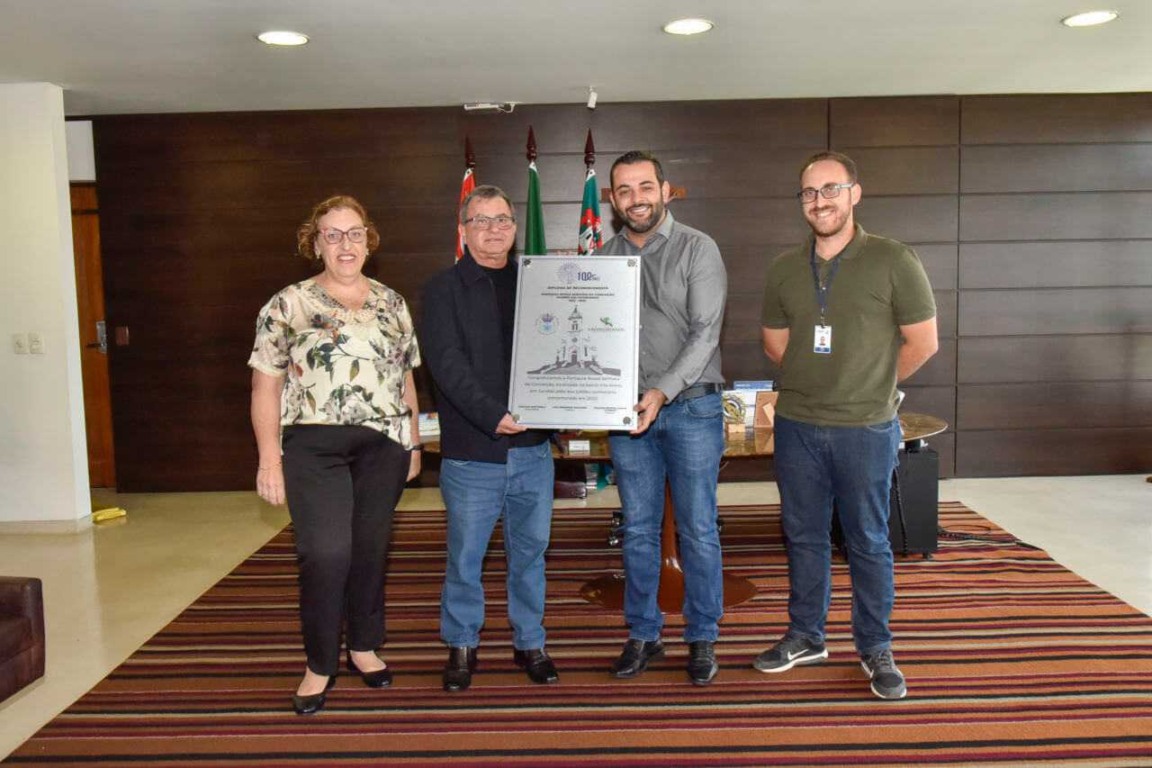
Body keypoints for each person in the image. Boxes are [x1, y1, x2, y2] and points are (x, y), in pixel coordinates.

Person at [756, 151, 938, 700]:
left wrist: (874, 385)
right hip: (797, 426)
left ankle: (875, 645)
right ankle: (806, 635)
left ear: (855, 193)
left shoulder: (893, 259)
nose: (820, 201)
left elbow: (923, 342)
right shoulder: (785, 267)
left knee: (868, 539)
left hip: (865, 428)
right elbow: (775, 344)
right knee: (804, 536)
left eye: (830, 189)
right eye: (809, 193)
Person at [249, 195, 422, 715]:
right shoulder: (288, 304)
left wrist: (413, 440)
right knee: (326, 554)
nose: (345, 244)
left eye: (354, 233)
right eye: (332, 234)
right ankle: (319, 662)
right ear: (315, 242)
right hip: (312, 445)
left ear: (368, 239)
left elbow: (405, 375)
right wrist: (268, 459)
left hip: (384, 444)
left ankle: (364, 646)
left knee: (369, 550)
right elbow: (264, 386)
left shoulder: (392, 302)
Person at [421, 185, 559, 692]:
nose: (494, 229)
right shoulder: (442, 290)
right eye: (481, 220)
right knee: (465, 557)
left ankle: (530, 642)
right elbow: (446, 366)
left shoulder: (538, 283)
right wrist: (492, 415)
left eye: (502, 219)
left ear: (514, 228)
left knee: (530, 554)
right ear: (463, 229)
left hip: (534, 453)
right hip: (473, 452)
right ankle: (461, 643)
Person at [599, 151, 728, 686]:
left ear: (665, 190)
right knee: (638, 530)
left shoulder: (699, 248)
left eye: (645, 187)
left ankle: (701, 636)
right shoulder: (601, 260)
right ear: (613, 200)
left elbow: (706, 333)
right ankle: (644, 634)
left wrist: (661, 391)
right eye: (624, 190)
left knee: (698, 528)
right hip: (628, 415)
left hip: (692, 406)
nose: (637, 198)